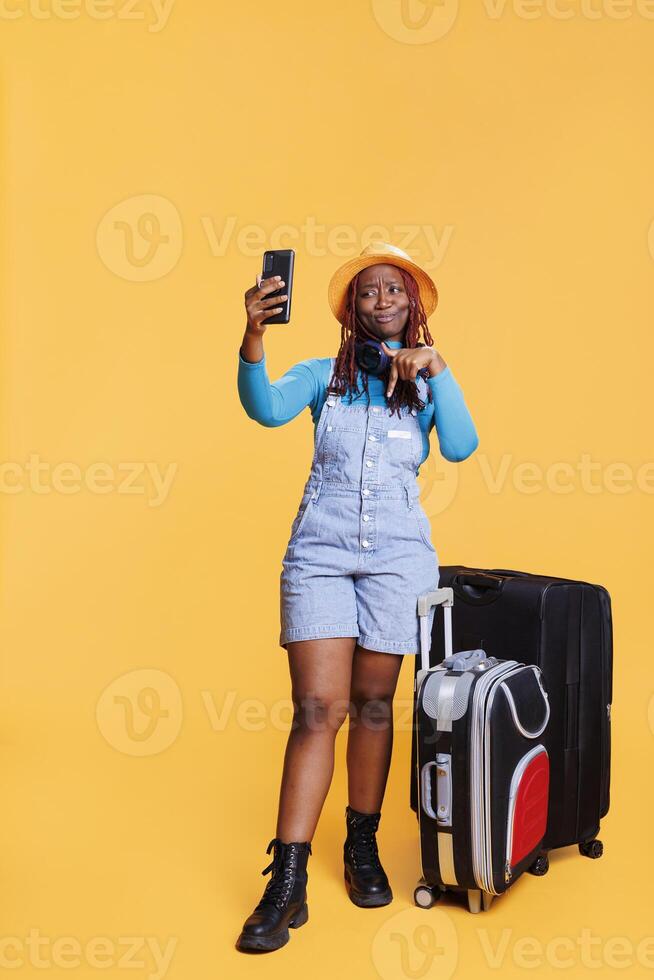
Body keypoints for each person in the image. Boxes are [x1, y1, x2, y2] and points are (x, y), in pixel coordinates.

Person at [235, 242, 478, 952]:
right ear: (350, 309)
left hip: (399, 559)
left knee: (375, 704)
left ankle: (361, 844)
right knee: (319, 709)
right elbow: (264, 408)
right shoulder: (322, 377)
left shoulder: (428, 385)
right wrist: (252, 335)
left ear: (414, 307)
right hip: (322, 554)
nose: (381, 302)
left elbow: (460, 447)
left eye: (394, 292)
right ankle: (287, 880)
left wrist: (440, 367)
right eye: (368, 293)